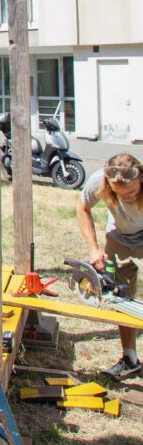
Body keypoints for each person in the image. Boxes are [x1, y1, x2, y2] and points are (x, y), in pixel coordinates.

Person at [77, 152, 143, 380]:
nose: (126, 198)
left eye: (131, 193)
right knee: (122, 298)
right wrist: (94, 249)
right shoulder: (99, 180)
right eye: (119, 194)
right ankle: (130, 359)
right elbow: (82, 208)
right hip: (119, 237)